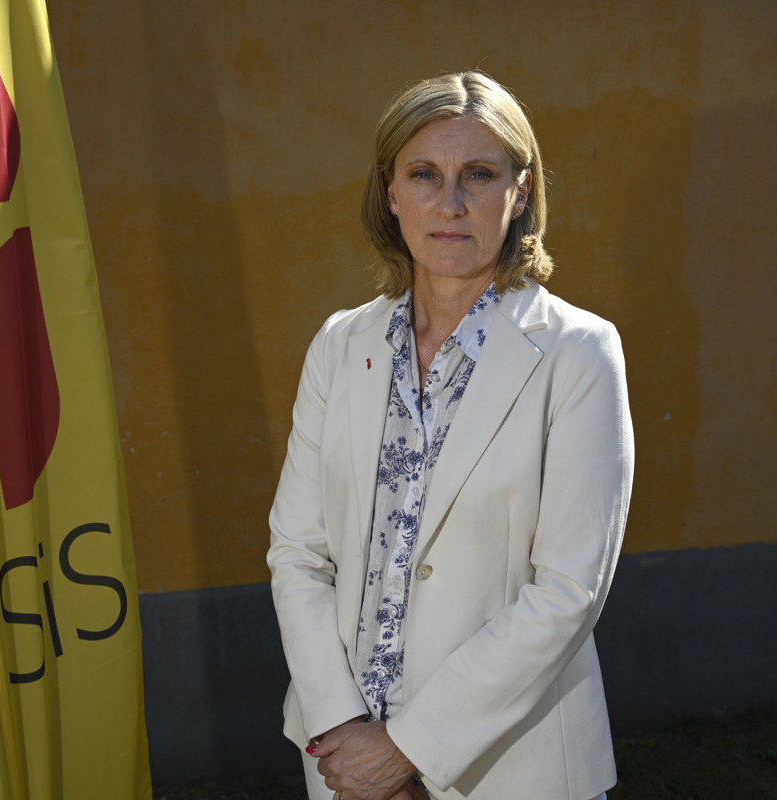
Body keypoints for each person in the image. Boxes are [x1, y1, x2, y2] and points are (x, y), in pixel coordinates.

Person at [267, 71, 634, 800]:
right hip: (345, 768)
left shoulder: (578, 354)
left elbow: (566, 592)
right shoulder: (341, 346)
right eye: (425, 175)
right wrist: (347, 737)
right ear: (391, 191)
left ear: (520, 192)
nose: (451, 203)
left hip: (512, 770)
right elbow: (299, 555)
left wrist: (405, 749)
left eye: (480, 174)